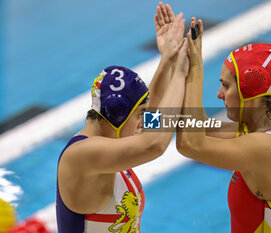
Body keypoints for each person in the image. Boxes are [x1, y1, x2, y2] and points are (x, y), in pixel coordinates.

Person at [56, 3, 189, 232]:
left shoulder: (111, 145)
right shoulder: (81, 155)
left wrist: (167, 59)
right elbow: (154, 144)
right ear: (117, 114)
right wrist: (180, 72)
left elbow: (152, 122)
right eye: (139, 115)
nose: (144, 123)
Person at [176, 17, 271, 233]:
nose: (219, 95)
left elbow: (190, 143)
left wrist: (195, 67)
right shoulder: (260, 132)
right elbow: (200, 126)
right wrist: (144, 122)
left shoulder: (268, 148)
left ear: (250, 90)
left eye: (225, 86)